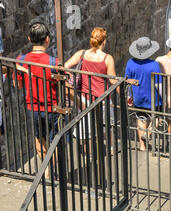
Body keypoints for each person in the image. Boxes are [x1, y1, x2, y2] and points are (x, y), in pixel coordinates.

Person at [15, 23, 59, 174]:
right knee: (55, 140)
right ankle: (52, 170)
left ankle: (47, 168)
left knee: (39, 138)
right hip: (52, 107)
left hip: (32, 107)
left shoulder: (21, 60)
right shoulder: (54, 62)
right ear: (47, 39)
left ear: (29, 39)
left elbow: (18, 85)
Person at [64, 27, 117, 143]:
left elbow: (65, 66)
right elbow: (113, 81)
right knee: (106, 126)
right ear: (104, 41)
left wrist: (70, 78)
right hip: (103, 98)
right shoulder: (107, 59)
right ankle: (111, 147)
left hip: (85, 97)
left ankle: (90, 155)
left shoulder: (81, 54)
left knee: (86, 129)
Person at [125, 37, 162, 151]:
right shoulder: (154, 65)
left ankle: (142, 146)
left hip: (138, 97)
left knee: (141, 119)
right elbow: (158, 85)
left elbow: (127, 81)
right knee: (157, 118)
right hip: (153, 98)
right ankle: (149, 134)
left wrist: (129, 96)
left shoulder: (130, 63)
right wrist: (162, 97)